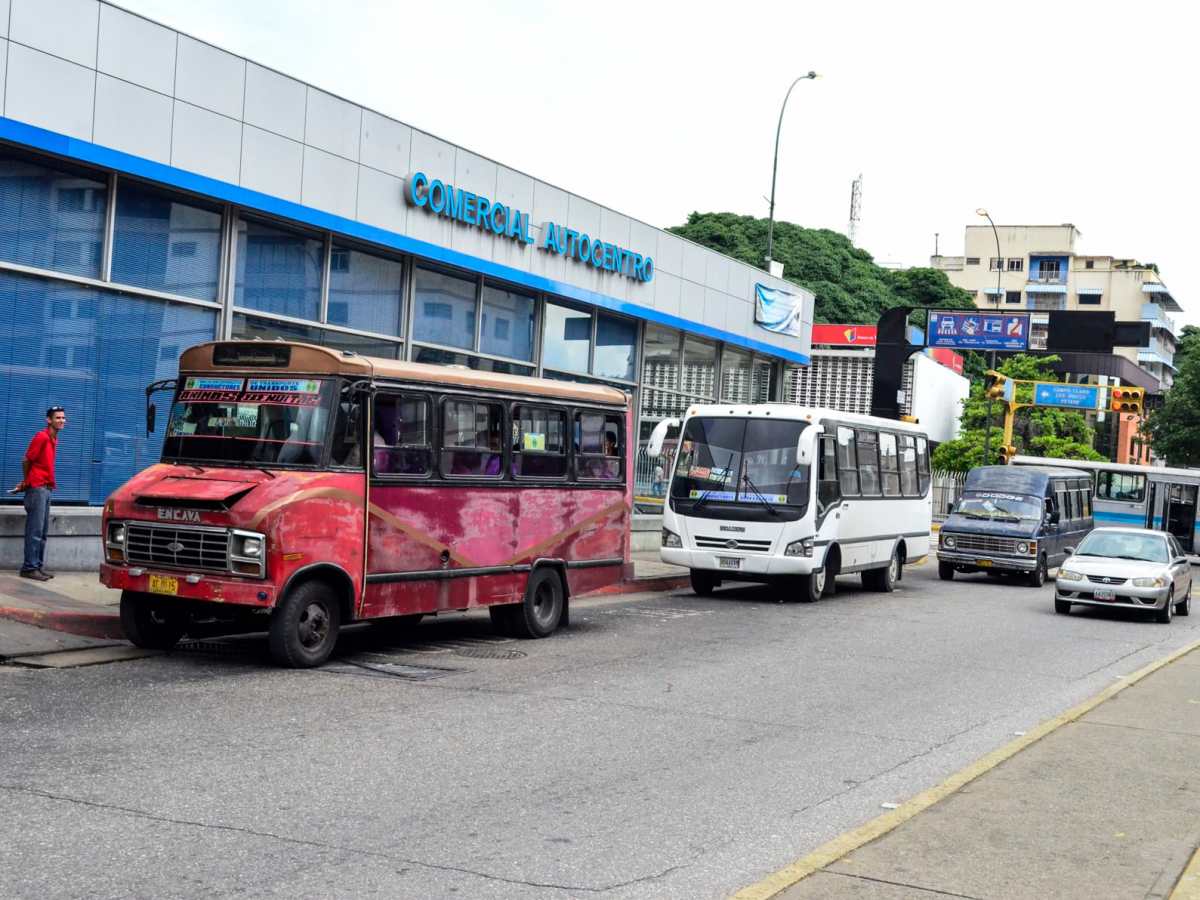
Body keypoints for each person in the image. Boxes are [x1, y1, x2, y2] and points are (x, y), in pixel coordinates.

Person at [12, 406, 66, 581]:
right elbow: (27, 460)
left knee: (42, 532)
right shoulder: (41, 437)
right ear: (48, 420)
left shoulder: (53, 439)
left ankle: (37, 566)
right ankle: (29, 568)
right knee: (34, 531)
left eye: (63, 418)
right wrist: (27, 482)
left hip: (47, 488)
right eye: (58, 418)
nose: (62, 420)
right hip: (37, 488)